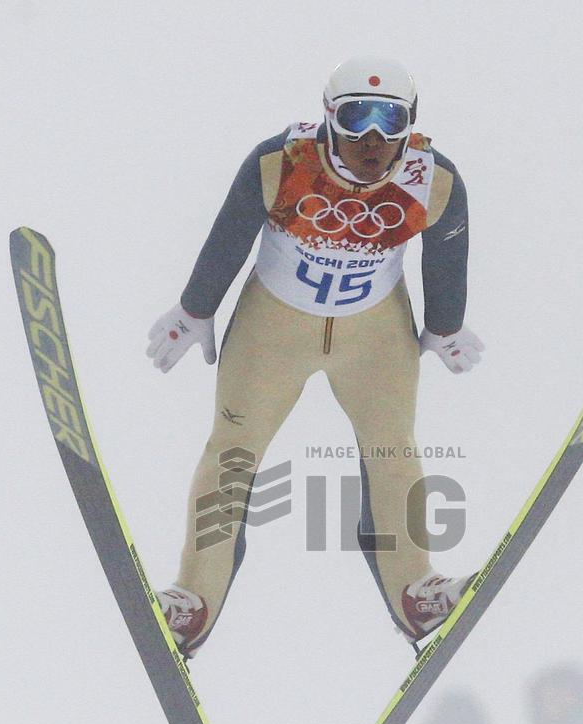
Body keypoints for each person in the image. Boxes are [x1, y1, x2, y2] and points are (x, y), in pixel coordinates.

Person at [147, 56, 485, 658]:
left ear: (413, 122)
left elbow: (447, 249)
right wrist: (195, 308)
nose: (373, 139)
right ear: (329, 117)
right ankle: (193, 602)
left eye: (391, 119)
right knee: (231, 454)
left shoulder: (435, 178)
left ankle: (416, 591)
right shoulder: (281, 161)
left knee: (393, 449)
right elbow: (228, 235)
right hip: (274, 327)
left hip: (374, 334)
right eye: (357, 118)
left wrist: (445, 326)